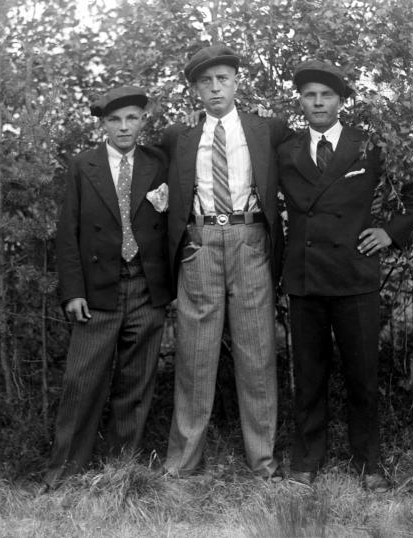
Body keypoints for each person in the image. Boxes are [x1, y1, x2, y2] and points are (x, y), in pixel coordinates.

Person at [278, 60, 413, 492]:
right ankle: (307, 459)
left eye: (326, 95)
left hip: (354, 275)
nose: (318, 102)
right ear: (301, 101)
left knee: (363, 374)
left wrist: (390, 232)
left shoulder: (367, 146)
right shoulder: (286, 149)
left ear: (340, 102)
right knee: (309, 375)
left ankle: (369, 462)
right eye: (310, 95)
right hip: (306, 277)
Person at [160, 45, 292, 479]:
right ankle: (182, 465)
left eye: (222, 79)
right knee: (195, 356)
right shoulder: (178, 137)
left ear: (237, 82)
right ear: (195, 89)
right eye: (206, 81)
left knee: (257, 355)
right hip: (199, 243)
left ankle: (263, 462)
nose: (215, 88)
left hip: (249, 240)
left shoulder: (267, 129)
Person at [43, 86, 172, 490]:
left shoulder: (158, 162)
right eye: (115, 120)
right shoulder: (84, 165)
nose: (124, 127)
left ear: (143, 121)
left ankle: (120, 472)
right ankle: (64, 474)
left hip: (146, 288)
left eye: (132, 118)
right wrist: (73, 291)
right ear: (103, 125)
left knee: (136, 384)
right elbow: (68, 232)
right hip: (98, 290)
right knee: (82, 382)